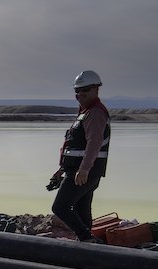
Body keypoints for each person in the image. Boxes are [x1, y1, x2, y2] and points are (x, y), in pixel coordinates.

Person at [51, 70, 111, 242]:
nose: (80, 94)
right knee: (81, 209)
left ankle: (86, 239)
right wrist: (62, 169)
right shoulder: (86, 112)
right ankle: (88, 246)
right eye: (77, 91)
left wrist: (84, 169)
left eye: (85, 90)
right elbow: (77, 145)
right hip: (80, 170)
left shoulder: (95, 113)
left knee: (60, 207)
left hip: (84, 171)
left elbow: (94, 143)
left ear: (96, 90)